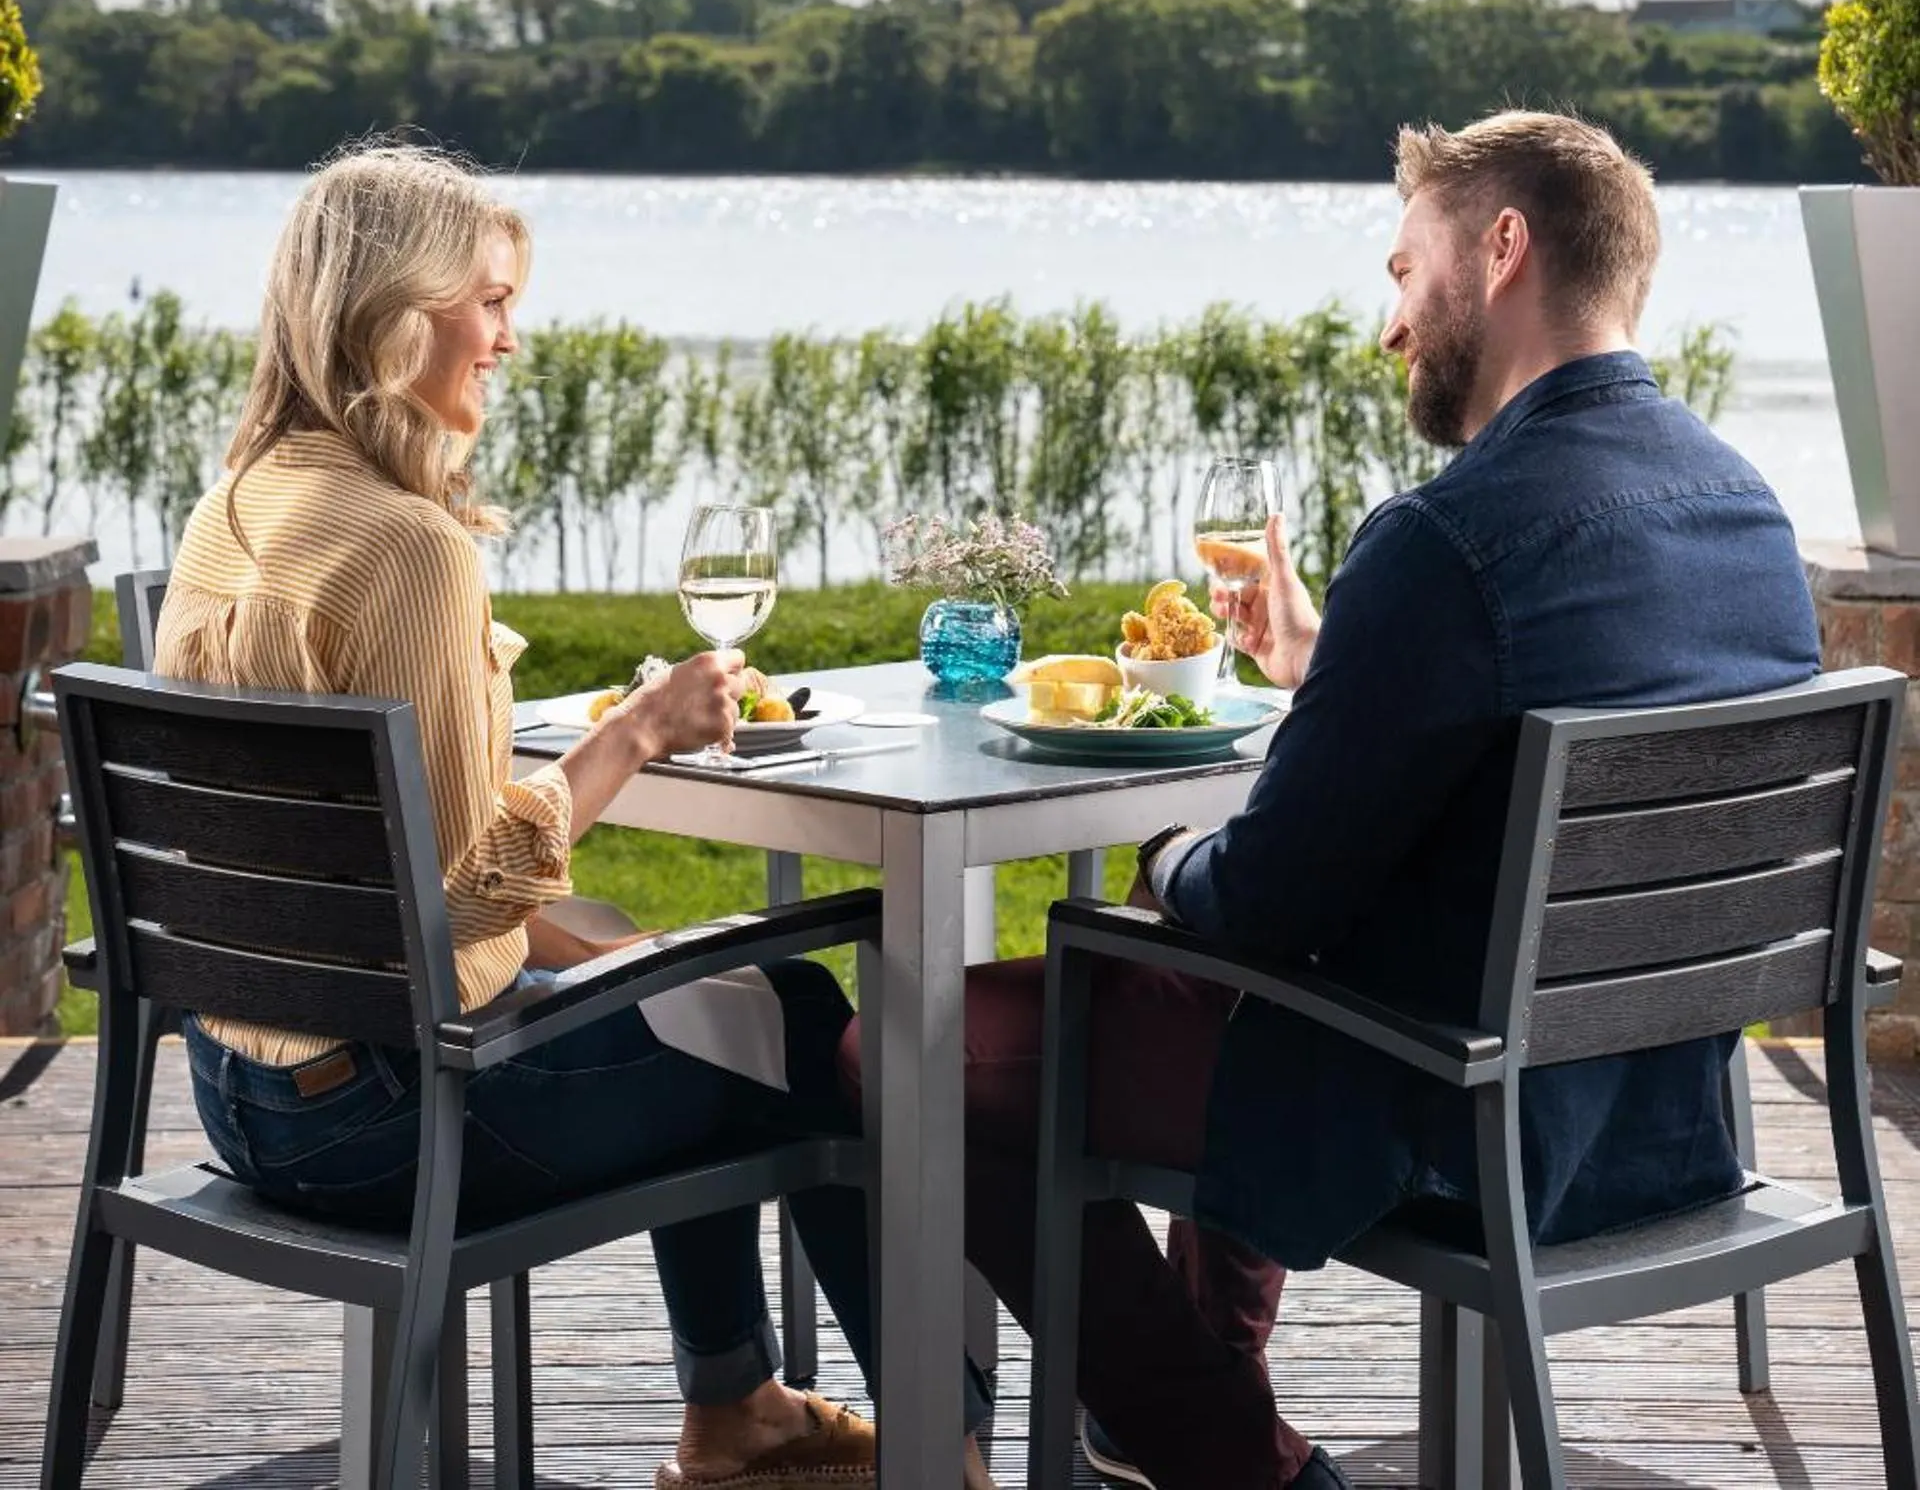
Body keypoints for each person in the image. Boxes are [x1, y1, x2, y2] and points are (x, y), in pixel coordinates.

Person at [850, 111, 1821, 1490]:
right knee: (1224, 976)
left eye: (1406, 270)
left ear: (1502, 249)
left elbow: (1259, 902)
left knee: (906, 1046)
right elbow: (1516, 734)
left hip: (1454, 1111)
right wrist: (1331, 664)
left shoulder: (1448, 540)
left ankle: (1225, 1454)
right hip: (1660, 1120)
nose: (1391, 325)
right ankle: (1188, 1392)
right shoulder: (1746, 513)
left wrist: (1168, 855)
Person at [156, 141, 921, 1490]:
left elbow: (371, 874)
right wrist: (639, 731)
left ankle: (740, 1409)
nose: (509, 339)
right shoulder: (411, 548)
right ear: (397, 312)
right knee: (798, 1015)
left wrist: (606, 936)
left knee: (679, 979)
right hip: (391, 1124)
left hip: (238, 1094)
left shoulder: (233, 507)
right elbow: (460, 895)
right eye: (491, 302)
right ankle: (942, 1440)